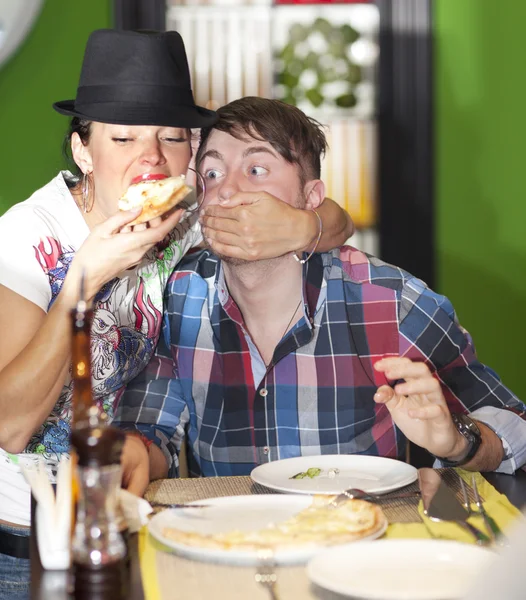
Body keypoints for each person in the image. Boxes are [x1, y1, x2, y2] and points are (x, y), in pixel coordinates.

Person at [0, 32, 352, 599]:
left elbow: (333, 216)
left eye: (172, 137)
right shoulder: (29, 239)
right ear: (82, 150)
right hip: (22, 548)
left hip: (126, 521)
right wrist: (82, 285)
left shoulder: (178, 219)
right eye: (123, 138)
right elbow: (10, 425)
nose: (151, 158)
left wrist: (300, 229)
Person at [116, 96, 526, 484]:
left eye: (256, 170)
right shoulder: (175, 298)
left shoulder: (391, 301)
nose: (227, 190)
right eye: (212, 173)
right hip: (231, 546)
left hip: (360, 546)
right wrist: (132, 453)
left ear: (311, 198)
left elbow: (514, 427)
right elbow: (151, 430)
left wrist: (457, 441)